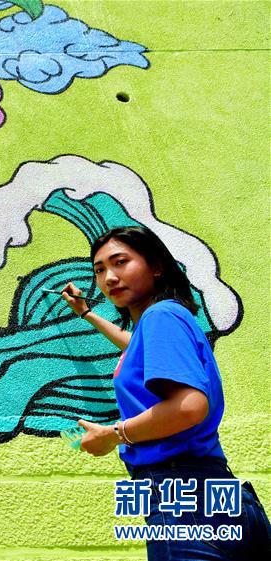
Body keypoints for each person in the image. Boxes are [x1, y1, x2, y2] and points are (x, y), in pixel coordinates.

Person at [62, 226, 271, 560]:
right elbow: (134, 347)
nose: (109, 277)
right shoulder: (166, 320)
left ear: (156, 266)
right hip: (219, 497)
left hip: (182, 500)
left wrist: (113, 435)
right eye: (99, 269)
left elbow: (189, 407)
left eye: (120, 262)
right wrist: (87, 314)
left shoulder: (161, 316)